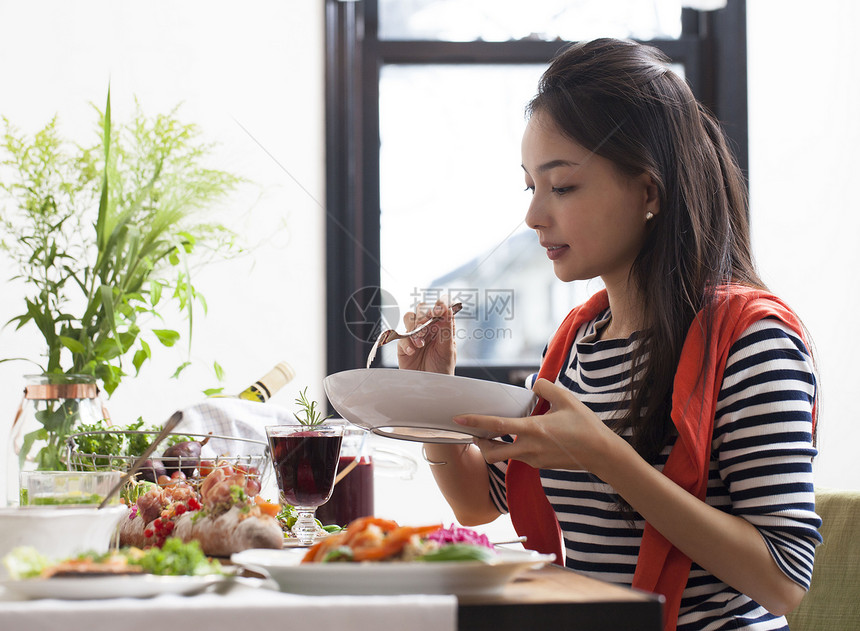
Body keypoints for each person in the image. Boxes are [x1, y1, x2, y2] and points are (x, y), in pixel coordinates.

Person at [397, 38, 821, 631]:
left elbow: (783, 582)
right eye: (531, 187)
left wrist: (604, 457)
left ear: (648, 191)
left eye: (562, 186)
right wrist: (432, 395)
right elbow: (480, 502)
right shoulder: (574, 343)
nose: (534, 216)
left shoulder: (751, 338)